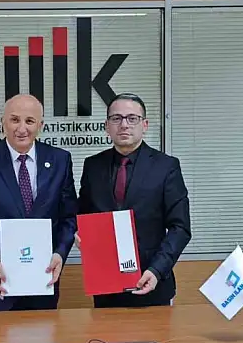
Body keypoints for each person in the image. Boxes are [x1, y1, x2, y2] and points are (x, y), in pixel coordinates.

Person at [0, 93, 78, 312]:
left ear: (41, 125)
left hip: (41, 285)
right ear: (3, 123)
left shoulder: (60, 160)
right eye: (15, 119)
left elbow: (69, 217)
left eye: (30, 121)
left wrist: (60, 253)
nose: (22, 128)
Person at [76, 93, 191, 308]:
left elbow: (180, 228)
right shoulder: (93, 166)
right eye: (116, 118)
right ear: (107, 126)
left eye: (132, 118)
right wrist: (80, 234)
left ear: (144, 125)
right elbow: (83, 214)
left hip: (152, 282)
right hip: (106, 284)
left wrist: (157, 270)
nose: (124, 125)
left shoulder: (166, 166)